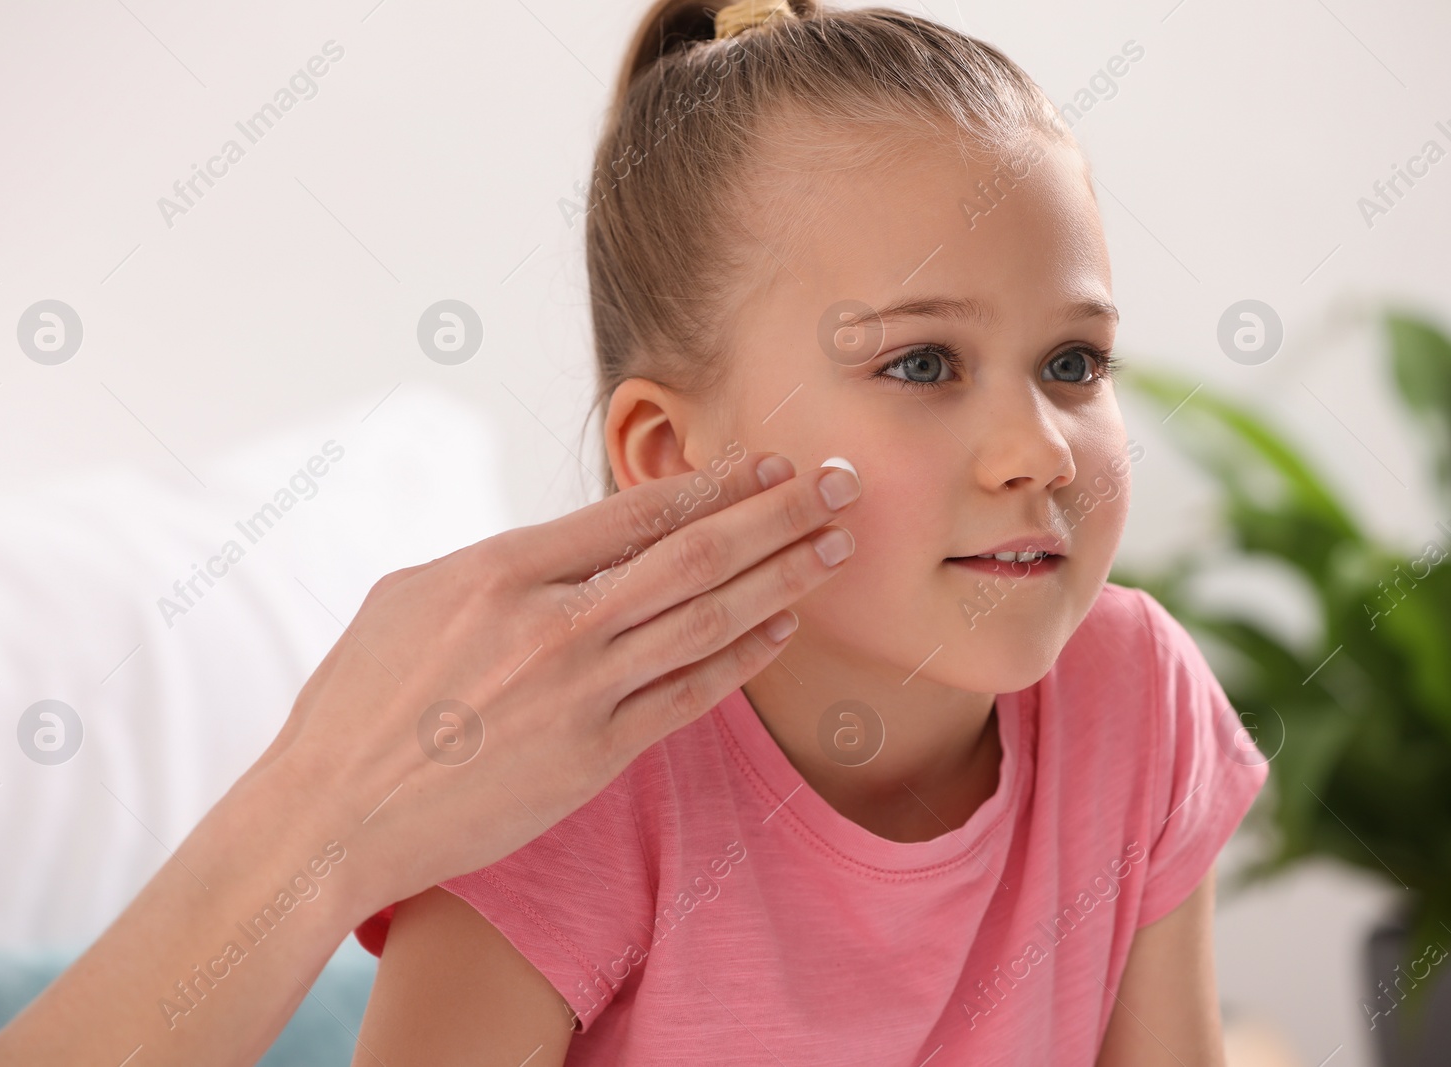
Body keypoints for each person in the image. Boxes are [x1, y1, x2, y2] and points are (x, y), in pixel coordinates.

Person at [351, 2, 1268, 1066]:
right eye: (922, 363)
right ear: (671, 457)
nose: (1040, 451)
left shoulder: (1136, 693)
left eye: (1072, 362)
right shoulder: (556, 773)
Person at [0, 448, 863, 1065]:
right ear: (668, 447)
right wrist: (320, 814)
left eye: (1017, 363)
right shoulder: (563, 807)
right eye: (922, 364)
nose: (1011, 444)